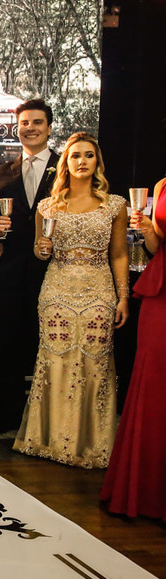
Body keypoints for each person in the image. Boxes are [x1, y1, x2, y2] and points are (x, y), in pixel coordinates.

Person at [14, 132, 128, 468]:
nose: (82, 161)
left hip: (99, 291)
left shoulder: (114, 205)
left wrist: (123, 297)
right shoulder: (48, 206)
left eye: (88, 155)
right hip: (57, 291)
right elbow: (40, 251)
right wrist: (42, 249)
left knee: (96, 364)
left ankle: (92, 445)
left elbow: (119, 254)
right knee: (56, 362)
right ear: (66, 163)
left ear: (97, 162)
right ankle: (50, 440)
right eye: (75, 155)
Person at [0, 99, 58, 434]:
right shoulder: (1, 172)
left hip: (53, 268)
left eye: (37, 122)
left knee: (50, 342)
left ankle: (50, 418)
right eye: (24, 123)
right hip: (11, 267)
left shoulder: (65, 167)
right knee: (8, 343)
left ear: (49, 127)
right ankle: (9, 414)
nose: (30, 128)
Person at [102, 175, 166, 519]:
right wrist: (145, 229)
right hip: (161, 293)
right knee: (153, 384)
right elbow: (157, 247)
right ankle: (146, 494)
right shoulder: (162, 186)